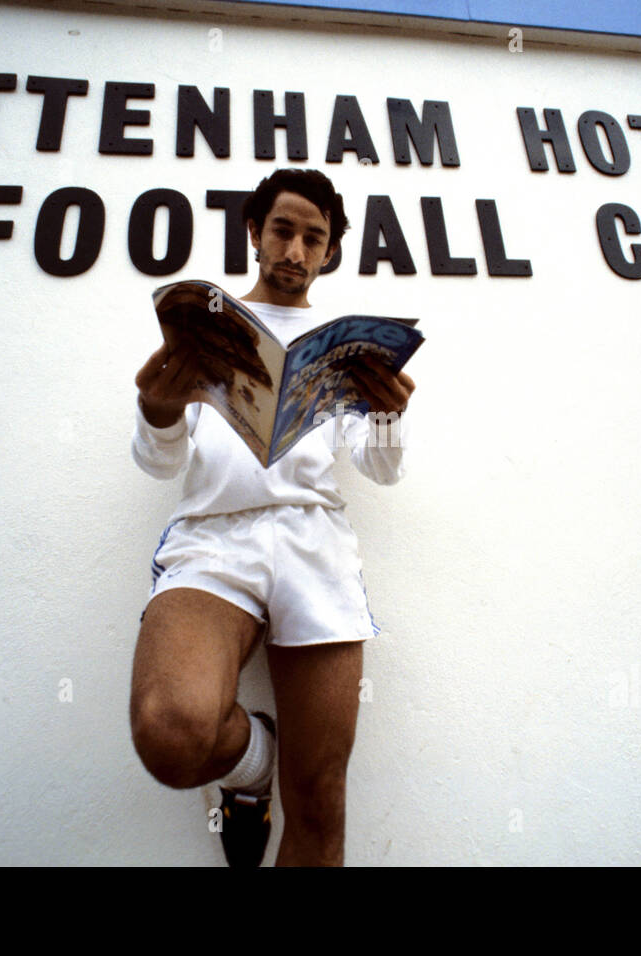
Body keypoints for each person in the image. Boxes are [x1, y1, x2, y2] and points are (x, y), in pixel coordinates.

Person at [129, 169, 416, 867]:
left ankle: (276, 779)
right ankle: (251, 759)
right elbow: (159, 463)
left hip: (313, 543)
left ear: (328, 252)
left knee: (320, 802)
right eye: (283, 230)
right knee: (171, 732)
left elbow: (381, 469)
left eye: (313, 238)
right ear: (255, 233)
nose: (295, 250)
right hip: (212, 540)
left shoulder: (344, 344)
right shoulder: (209, 326)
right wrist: (159, 412)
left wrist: (386, 415)